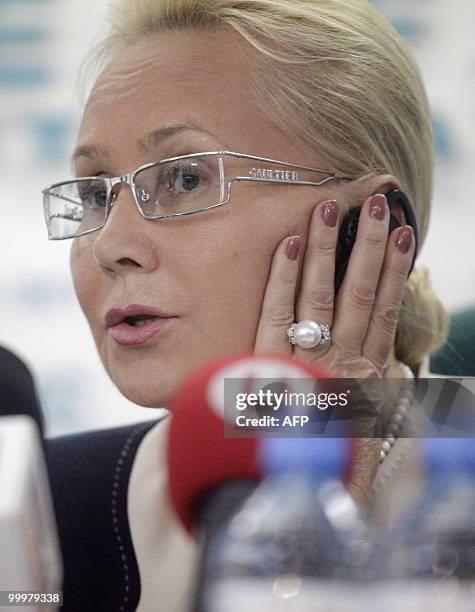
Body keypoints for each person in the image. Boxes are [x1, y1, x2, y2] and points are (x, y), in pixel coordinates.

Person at [42, 0, 450, 609]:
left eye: (184, 179)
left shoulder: (456, 466)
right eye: (97, 194)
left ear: (366, 228)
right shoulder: (44, 509)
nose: (111, 245)